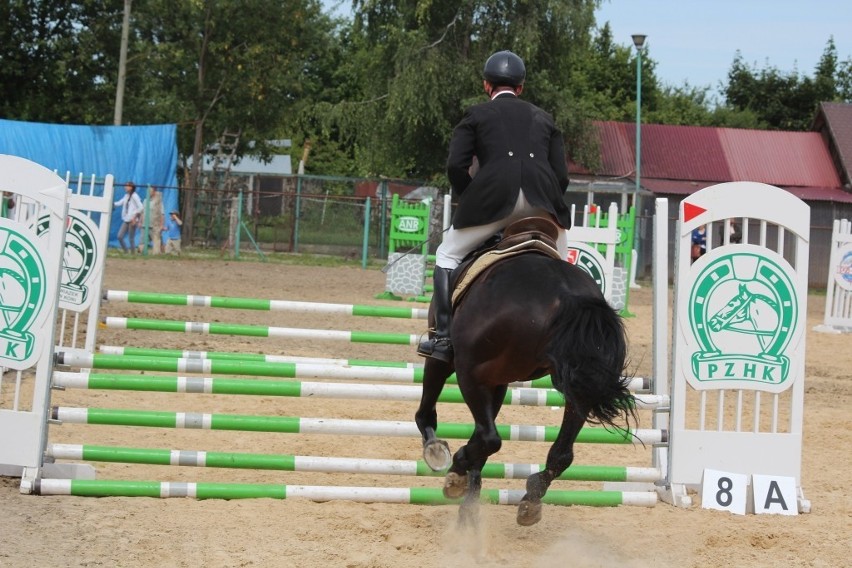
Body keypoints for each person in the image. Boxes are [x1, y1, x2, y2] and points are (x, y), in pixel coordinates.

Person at [416, 50, 572, 362]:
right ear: (521, 88)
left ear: (487, 85)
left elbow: (455, 166)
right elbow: (561, 175)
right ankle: (577, 335)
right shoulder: (545, 118)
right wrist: (545, 201)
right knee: (566, 268)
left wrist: (471, 198)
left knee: (446, 254)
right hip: (544, 200)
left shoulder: (475, 115)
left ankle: (444, 338)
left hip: (494, 199)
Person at [114, 181, 144, 254]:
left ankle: (133, 254)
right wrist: (112, 204)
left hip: (132, 220)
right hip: (126, 219)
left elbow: (141, 207)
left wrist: (135, 217)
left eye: (127, 186)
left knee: (131, 238)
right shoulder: (126, 196)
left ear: (131, 187)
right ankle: (126, 251)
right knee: (119, 236)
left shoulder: (135, 196)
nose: (125, 187)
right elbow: (120, 202)